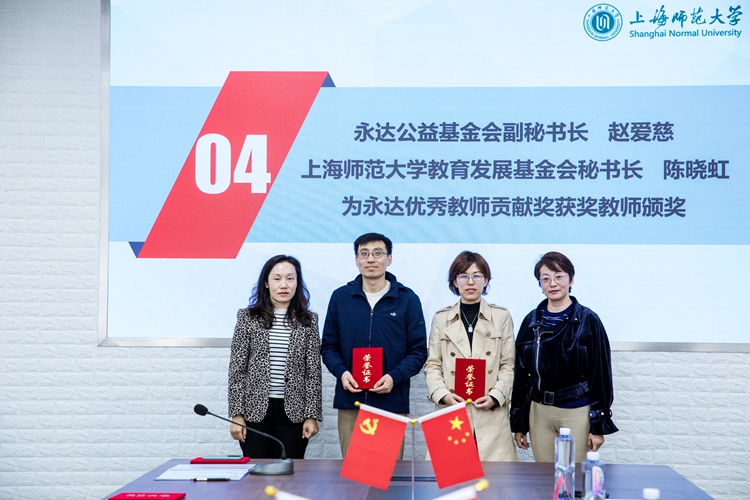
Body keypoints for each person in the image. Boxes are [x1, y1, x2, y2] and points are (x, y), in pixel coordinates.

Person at [321, 232, 428, 458]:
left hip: (391, 402)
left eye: (378, 253)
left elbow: (418, 351)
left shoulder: (408, 300)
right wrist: (342, 373)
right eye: (364, 254)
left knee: (390, 474)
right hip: (351, 402)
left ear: (389, 259)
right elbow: (329, 346)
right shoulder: (340, 298)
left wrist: (394, 377)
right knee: (354, 473)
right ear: (356, 260)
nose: (371, 259)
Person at [510, 251, 618, 463]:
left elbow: (601, 374)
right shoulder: (531, 322)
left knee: (574, 475)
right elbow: (521, 376)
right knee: (543, 476)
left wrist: (598, 425)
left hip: (576, 411)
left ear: (571, 279)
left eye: (559, 276)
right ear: (540, 284)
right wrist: (519, 422)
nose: (553, 283)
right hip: (539, 413)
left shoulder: (588, 320)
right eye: (545, 278)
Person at [424, 251, 518, 461]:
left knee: (494, 478)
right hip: (451, 410)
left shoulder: (500, 316)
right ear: (454, 281)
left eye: (477, 275)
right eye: (463, 276)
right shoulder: (441, 318)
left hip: (490, 411)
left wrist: (496, 396)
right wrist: (442, 394)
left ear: (486, 280)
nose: (470, 282)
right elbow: (432, 364)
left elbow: (508, 364)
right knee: (450, 476)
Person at [228, 255, 322, 459]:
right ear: (266, 283)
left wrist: (311, 416)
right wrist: (237, 414)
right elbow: (237, 370)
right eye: (277, 279)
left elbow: (313, 372)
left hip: (294, 414)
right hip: (254, 413)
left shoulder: (308, 321)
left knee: (291, 471)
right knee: (257, 472)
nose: (284, 285)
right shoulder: (248, 318)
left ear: (297, 282)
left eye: (290, 278)